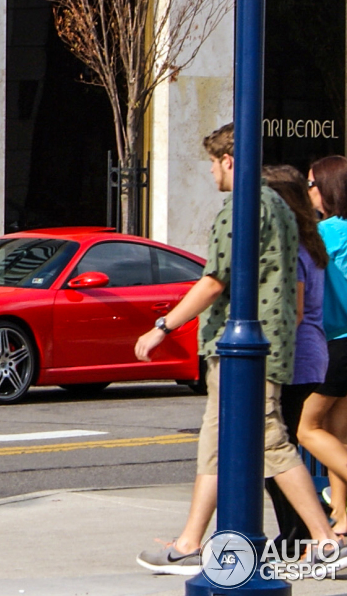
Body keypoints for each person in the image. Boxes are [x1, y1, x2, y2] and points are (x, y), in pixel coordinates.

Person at [134, 125, 342, 575]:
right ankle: (190, 542)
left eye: (213, 163)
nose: (211, 173)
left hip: (245, 349)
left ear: (230, 160)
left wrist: (163, 326)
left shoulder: (242, 208)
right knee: (213, 444)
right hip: (263, 346)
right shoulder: (284, 212)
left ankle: (325, 540)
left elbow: (214, 279)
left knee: (270, 440)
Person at [259, 165, 330, 550]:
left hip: (295, 356)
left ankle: (297, 534)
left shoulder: (294, 247)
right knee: (280, 448)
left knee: (275, 451)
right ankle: (297, 532)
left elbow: (295, 309)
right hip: (312, 353)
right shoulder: (310, 240)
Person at [300, 155, 347, 531]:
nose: (308, 190)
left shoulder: (325, 234)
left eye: (312, 184)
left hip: (338, 341)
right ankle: (342, 518)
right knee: (335, 431)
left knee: (307, 429)